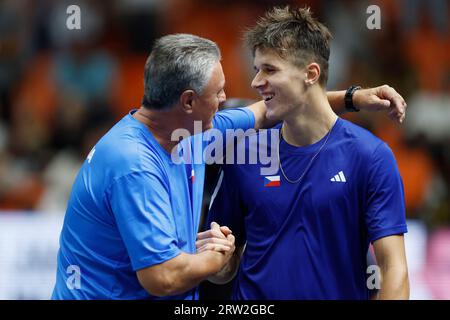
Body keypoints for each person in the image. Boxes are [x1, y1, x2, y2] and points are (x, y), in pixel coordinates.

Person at [52, 32, 407, 299]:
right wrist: (216, 257)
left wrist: (352, 98)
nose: (227, 99)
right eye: (218, 93)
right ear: (189, 101)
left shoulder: (189, 131)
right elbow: (164, 278)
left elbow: (267, 110)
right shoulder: (134, 164)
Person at [206, 6, 409, 299]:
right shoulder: (244, 153)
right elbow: (225, 266)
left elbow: (394, 271)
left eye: (270, 69)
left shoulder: (370, 156)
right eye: (257, 69)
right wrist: (217, 260)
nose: (255, 82)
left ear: (311, 73)